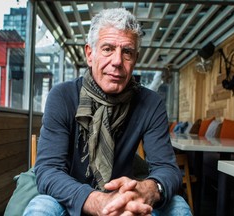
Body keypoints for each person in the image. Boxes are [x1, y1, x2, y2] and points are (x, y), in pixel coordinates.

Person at [23, 7, 191, 216]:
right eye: (108, 49)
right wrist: (98, 201)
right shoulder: (62, 96)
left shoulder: (151, 103)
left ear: (135, 59)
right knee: (41, 207)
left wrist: (147, 190)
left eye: (127, 52)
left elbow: (168, 169)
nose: (117, 61)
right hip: (70, 199)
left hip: (127, 199)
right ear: (90, 54)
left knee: (179, 208)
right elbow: (48, 171)